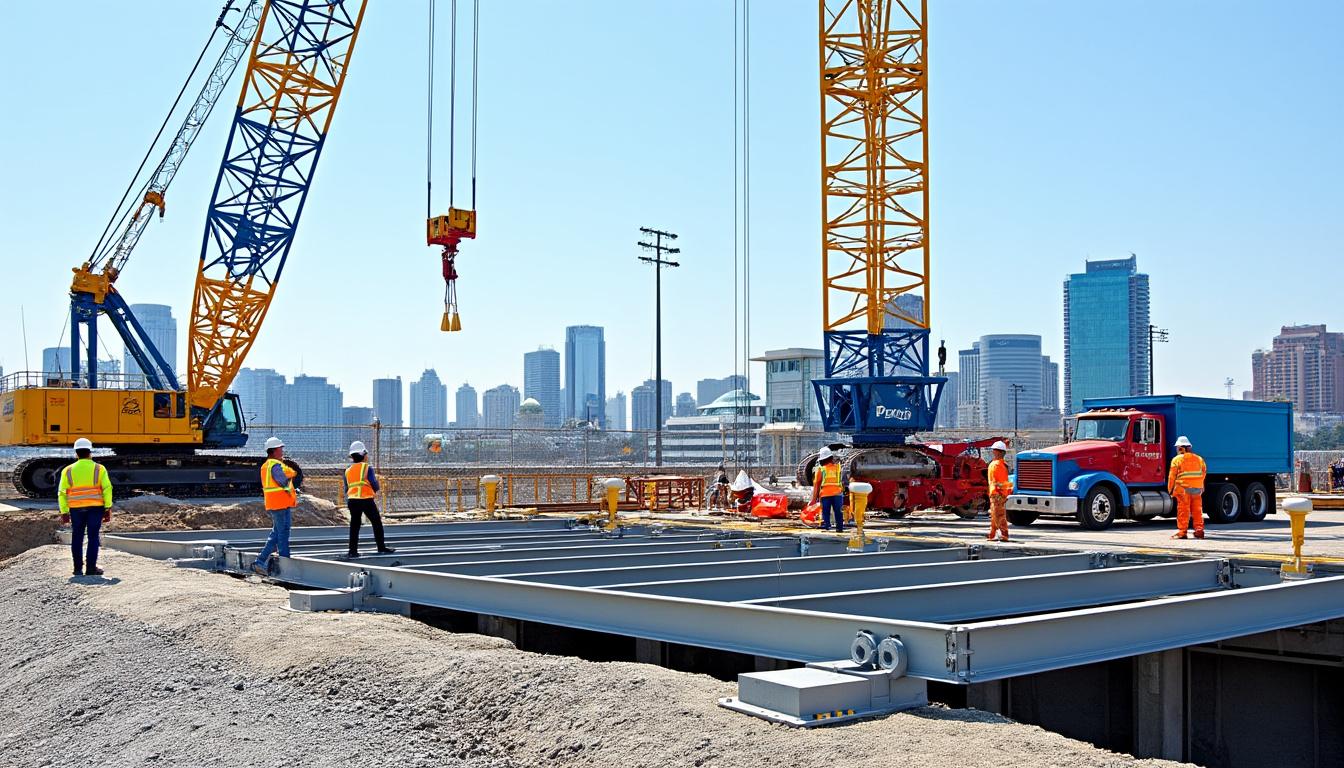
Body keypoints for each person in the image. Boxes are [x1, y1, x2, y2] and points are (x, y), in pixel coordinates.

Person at [58, 438, 114, 576]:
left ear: (76, 453)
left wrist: (64, 511)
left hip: (76, 509)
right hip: (96, 508)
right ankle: (90, 568)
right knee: (93, 536)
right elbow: (107, 488)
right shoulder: (99, 469)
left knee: (77, 536)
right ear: (90, 452)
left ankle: (77, 569)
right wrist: (107, 508)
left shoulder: (68, 470)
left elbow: (61, 492)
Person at [253, 436, 299, 576]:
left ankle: (261, 561)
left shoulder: (268, 465)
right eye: (280, 448)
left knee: (278, 533)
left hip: (278, 503)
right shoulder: (274, 465)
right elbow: (282, 480)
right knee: (282, 533)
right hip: (279, 503)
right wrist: (290, 487)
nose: (282, 451)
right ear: (274, 450)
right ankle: (281, 562)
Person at [344, 441, 395, 558]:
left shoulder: (347, 470)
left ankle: (352, 551)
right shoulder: (367, 468)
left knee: (355, 525)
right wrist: (375, 490)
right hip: (366, 499)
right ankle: (381, 547)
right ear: (363, 454)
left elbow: (347, 487)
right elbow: (373, 483)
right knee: (376, 522)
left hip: (352, 500)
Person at [1168, 435, 1207, 540]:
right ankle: (1199, 531)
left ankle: (1182, 532)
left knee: (1183, 511)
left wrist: (1170, 490)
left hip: (1183, 489)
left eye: (1177, 447)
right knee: (1197, 511)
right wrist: (1200, 486)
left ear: (1181, 448)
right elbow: (1203, 474)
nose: (1177, 449)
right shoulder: (1199, 459)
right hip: (1197, 489)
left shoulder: (1177, 460)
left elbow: (1172, 476)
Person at [810, 447, 845, 533]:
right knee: (838, 512)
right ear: (830, 457)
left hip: (825, 495)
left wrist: (814, 499)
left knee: (826, 512)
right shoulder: (838, 468)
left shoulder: (821, 469)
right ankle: (839, 528)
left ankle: (827, 526)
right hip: (837, 494)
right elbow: (843, 480)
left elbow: (816, 485)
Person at [986, 440, 1013, 542]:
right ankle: (992, 535)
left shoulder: (998, 465)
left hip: (998, 494)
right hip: (995, 494)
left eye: (995, 450)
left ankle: (1004, 534)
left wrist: (1001, 494)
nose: (993, 452)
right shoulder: (996, 464)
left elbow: (1000, 482)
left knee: (999, 515)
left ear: (1000, 452)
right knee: (994, 514)